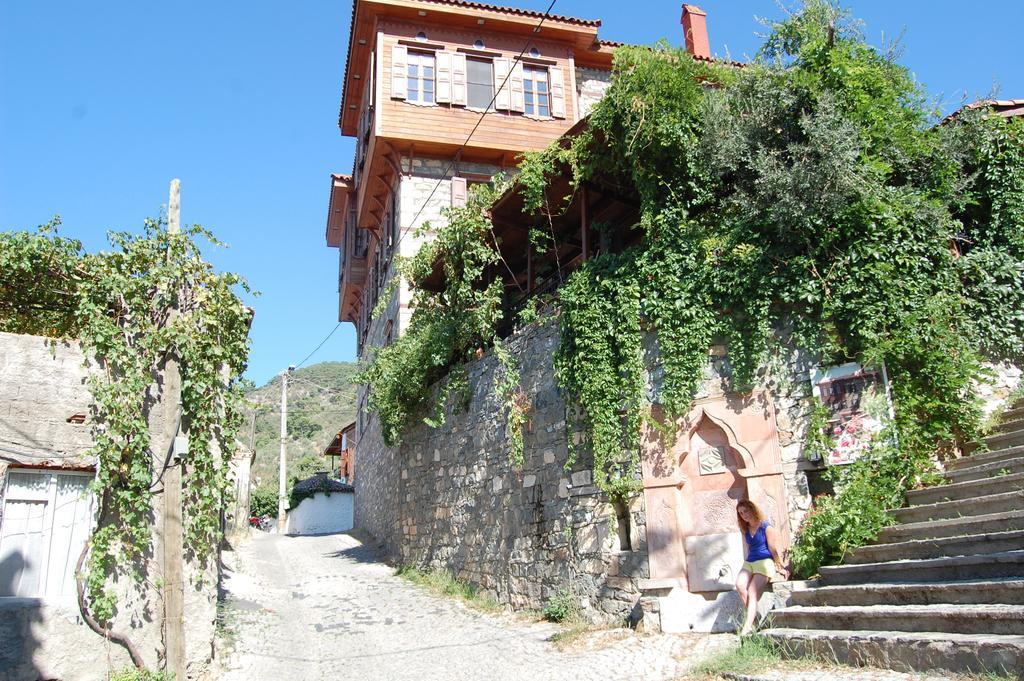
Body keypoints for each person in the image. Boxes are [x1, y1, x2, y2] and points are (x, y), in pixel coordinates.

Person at [734, 499, 789, 635]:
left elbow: (772, 548)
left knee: (752, 591)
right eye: (741, 513)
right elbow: (749, 549)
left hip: (764, 562)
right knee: (740, 586)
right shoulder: (746, 530)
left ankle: (747, 626)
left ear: (752, 509)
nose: (744, 515)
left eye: (746, 511)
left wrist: (779, 565)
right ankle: (754, 619)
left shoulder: (766, 527)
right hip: (750, 562)